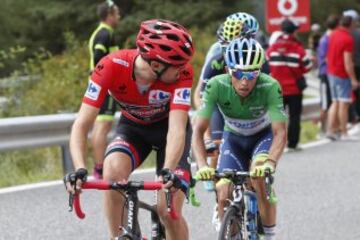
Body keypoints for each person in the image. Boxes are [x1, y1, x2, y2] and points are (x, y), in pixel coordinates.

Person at [64, 19, 195, 240]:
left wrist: (168, 171)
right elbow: (81, 125)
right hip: (134, 130)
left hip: (168, 133)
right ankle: (119, 236)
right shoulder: (110, 65)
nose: (183, 69)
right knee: (112, 170)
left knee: (167, 210)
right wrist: (78, 168)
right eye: (178, 65)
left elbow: (176, 130)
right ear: (156, 65)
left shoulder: (182, 74)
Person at [192, 38, 287, 240]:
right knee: (223, 190)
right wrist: (201, 165)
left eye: (252, 74)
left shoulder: (270, 86)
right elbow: (198, 130)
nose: (245, 81)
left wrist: (270, 162)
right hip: (233, 138)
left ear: (259, 71)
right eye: (238, 74)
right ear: (228, 70)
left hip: (263, 136)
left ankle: (269, 235)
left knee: (259, 178)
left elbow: (280, 132)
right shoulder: (216, 85)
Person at [193, 12, 259, 172]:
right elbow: (201, 95)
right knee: (217, 144)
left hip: (245, 99)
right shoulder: (216, 57)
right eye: (225, 47)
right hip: (219, 98)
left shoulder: (256, 53)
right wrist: (207, 138)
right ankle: (215, 171)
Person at [266, 19, 312, 151]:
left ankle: (274, 144)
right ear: (294, 31)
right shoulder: (298, 48)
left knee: (276, 117)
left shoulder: (273, 48)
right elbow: (307, 67)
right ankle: (292, 144)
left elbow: (266, 66)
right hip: (294, 90)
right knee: (294, 117)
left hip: (276, 90)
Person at [89, 0, 120, 179]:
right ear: (109, 15)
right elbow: (98, 58)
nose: (119, 17)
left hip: (103, 85)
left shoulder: (104, 32)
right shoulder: (104, 34)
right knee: (102, 126)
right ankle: (99, 169)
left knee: (103, 125)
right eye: (116, 14)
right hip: (104, 86)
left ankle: (99, 167)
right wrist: (106, 80)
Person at [326, 12, 360, 141]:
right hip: (341, 73)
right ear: (351, 24)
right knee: (344, 103)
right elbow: (348, 62)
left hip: (331, 72)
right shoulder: (347, 38)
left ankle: (330, 130)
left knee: (335, 101)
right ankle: (344, 132)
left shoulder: (334, 34)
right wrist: (353, 79)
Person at [316, 15, 340, 135]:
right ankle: (322, 129)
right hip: (325, 74)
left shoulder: (329, 38)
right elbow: (326, 58)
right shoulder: (326, 40)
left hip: (331, 73)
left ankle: (334, 128)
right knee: (325, 103)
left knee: (332, 101)